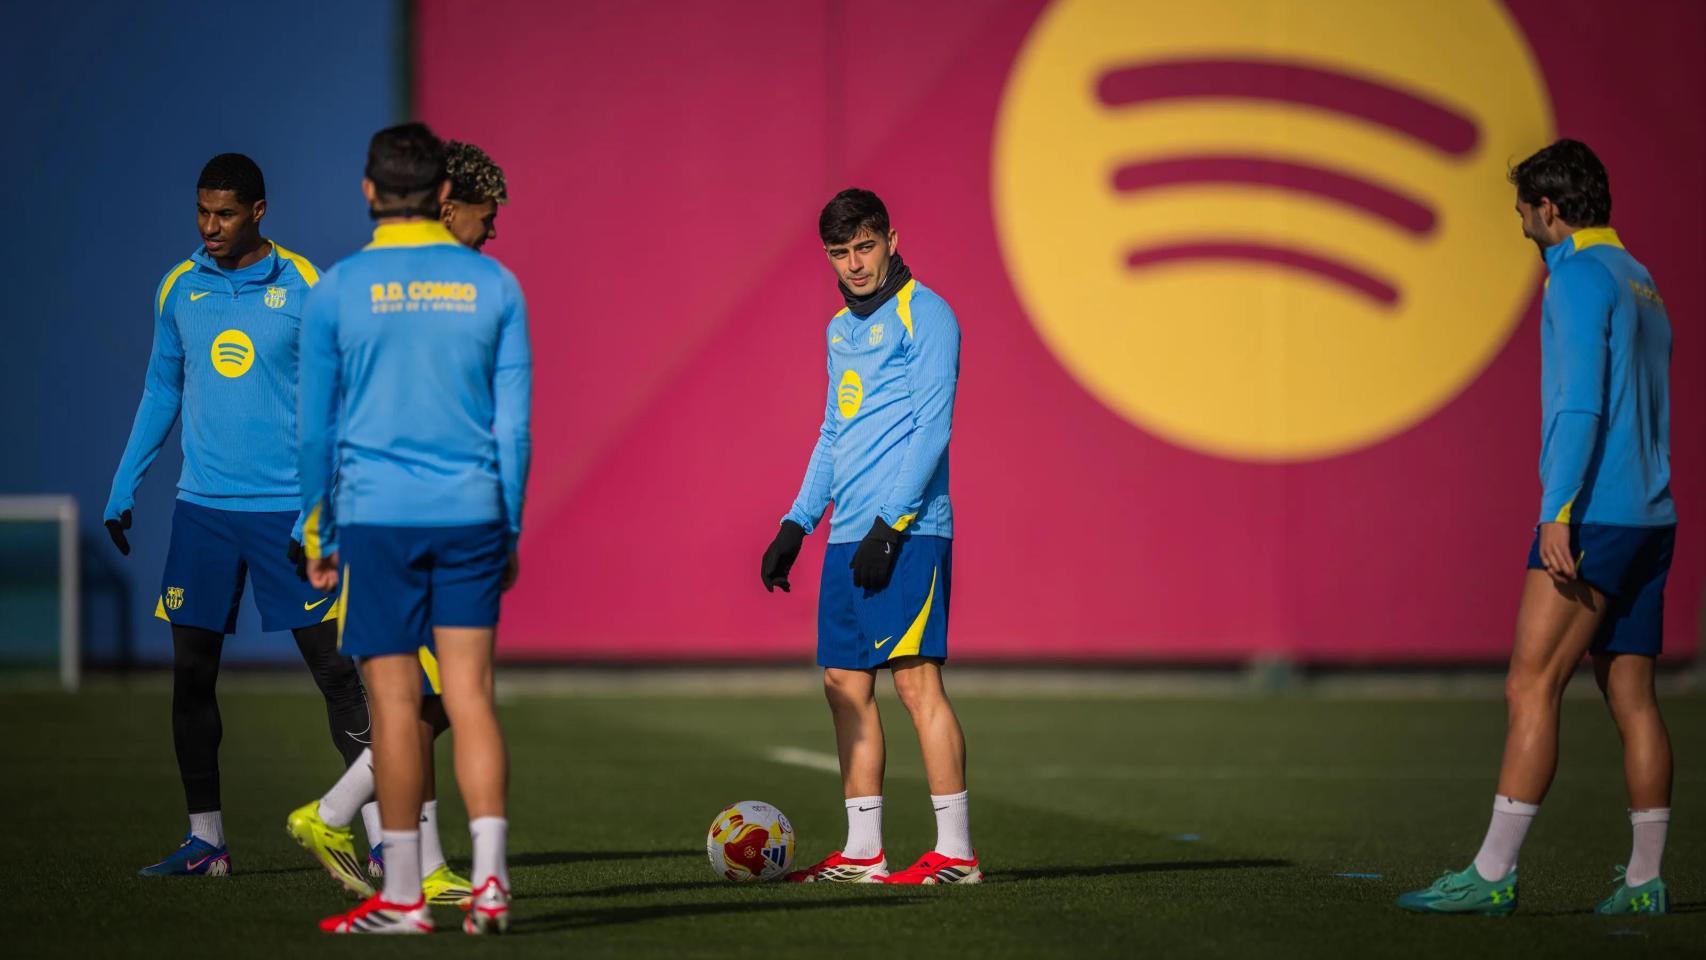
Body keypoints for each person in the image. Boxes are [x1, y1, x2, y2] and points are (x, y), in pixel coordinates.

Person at [1398, 139, 1676, 916]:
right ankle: (1645, 883)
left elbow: (1580, 403)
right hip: (1651, 516)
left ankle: (1492, 875)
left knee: (1531, 683)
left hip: (1593, 513)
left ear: (1548, 208)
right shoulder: (1640, 278)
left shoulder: (1578, 277)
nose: (1521, 223)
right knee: (1635, 701)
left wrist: (1557, 510)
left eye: (1522, 209)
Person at [104, 152, 369, 877]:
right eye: (202, 211)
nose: (210, 226)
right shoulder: (178, 287)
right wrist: (124, 484)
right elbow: (162, 389)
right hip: (203, 514)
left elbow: (336, 406)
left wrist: (317, 511)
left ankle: (382, 838)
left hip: (288, 514)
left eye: (224, 213)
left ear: (258, 211)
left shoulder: (307, 286)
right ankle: (206, 842)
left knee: (338, 673)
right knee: (191, 676)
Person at [301, 123, 530, 934]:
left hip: (378, 519)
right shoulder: (494, 284)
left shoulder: (337, 289)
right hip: (471, 513)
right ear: (441, 194)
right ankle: (492, 883)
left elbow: (317, 430)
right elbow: (513, 428)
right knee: (469, 696)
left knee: (396, 708)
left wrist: (317, 532)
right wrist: (509, 526)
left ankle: (404, 897)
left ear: (369, 191)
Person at [760, 188, 978, 884]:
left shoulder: (926, 313)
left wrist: (892, 524)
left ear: (891, 240)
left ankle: (956, 854)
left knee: (916, 684)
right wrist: (797, 522)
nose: (854, 263)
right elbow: (834, 432)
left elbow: (932, 428)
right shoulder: (838, 329)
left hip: (907, 532)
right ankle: (863, 853)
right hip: (848, 535)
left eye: (864, 246)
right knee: (843, 684)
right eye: (840, 252)